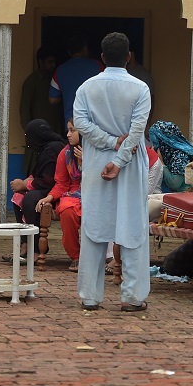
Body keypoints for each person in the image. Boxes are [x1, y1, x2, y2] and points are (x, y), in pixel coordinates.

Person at [74, 32, 151, 312]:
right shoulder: (140, 88)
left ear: (102, 58)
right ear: (128, 56)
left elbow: (80, 123)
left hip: (97, 163)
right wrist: (119, 159)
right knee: (132, 226)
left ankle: (90, 296)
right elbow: (137, 130)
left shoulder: (87, 88)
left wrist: (107, 145)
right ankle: (132, 297)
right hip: (129, 166)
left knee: (94, 227)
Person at [8, 119, 66, 262]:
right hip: (47, 189)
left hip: (58, 191)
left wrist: (25, 185)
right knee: (18, 197)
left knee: (30, 199)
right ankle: (26, 244)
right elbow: (40, 173)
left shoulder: (53, 149)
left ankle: (36, 248)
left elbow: (49, 180)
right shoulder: (45, 148)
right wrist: (25, 182)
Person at [35, 119, 84, 270]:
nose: (68, 134)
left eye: (72, 130)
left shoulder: (99, 151)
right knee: (67, 210)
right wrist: (48, 198)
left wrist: (86, 162)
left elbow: (104, 176)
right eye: (68, 130)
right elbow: (62, 183)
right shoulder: (65, 153)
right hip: (75, 194)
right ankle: (76, 256)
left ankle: (101, 257)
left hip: (98, 192)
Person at [20, 47, 63, 175]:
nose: (53, 65)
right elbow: (24, 111)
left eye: (54, 62)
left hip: (55, 134)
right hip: (37, 139)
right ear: (40, 62)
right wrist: (32, 134)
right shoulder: (32, 82)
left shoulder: (57, 81)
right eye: (50, 62)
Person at [49, 34, 102, 130]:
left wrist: (67, 95)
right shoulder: (98, 66)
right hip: (95, 124)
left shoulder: (60, 70)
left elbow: (52, 99)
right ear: (85, 49)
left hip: (72, 124)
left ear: (69, 52)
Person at [147, 121, 193, 193]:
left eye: (155, 142)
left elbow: (174, 184)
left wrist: (161, 162)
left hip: (189, 197)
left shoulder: (181, 155)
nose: (154, 145)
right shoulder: (168, 155)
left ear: (164, 141)